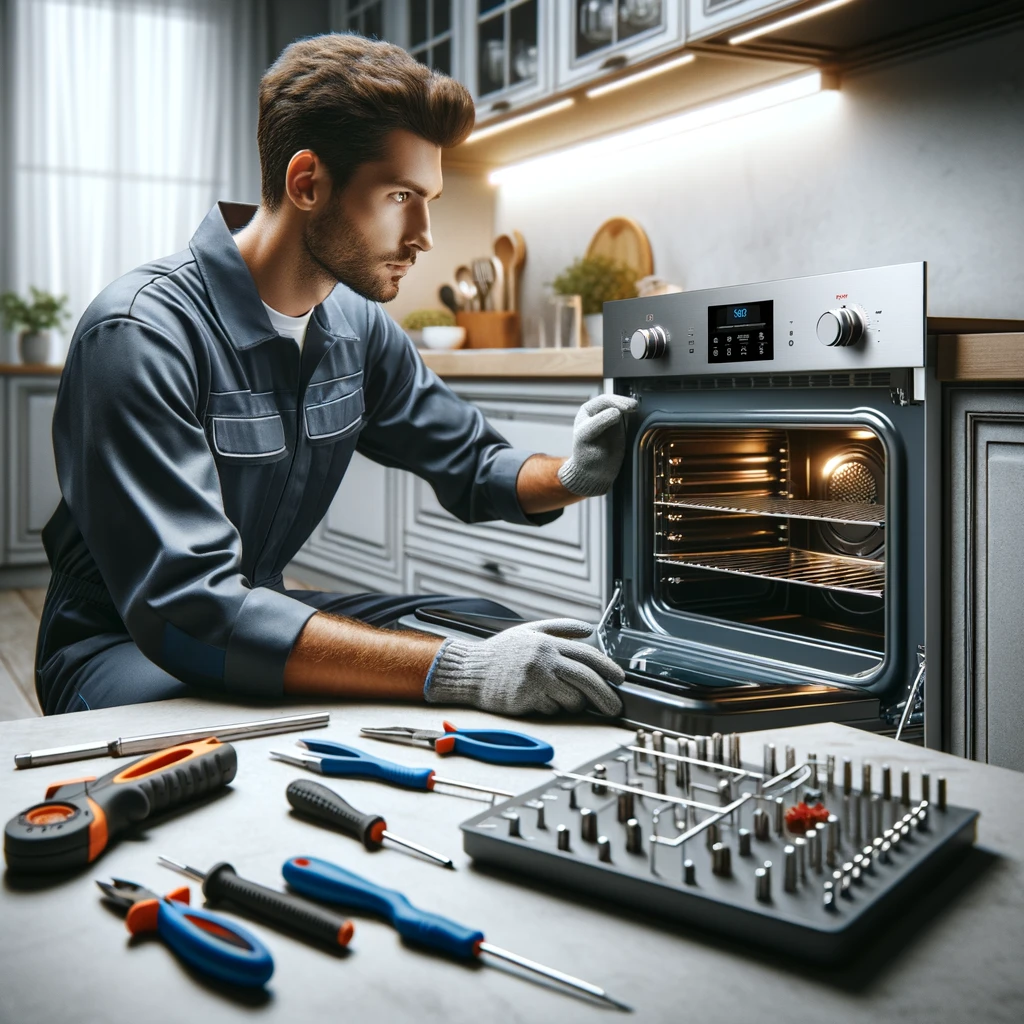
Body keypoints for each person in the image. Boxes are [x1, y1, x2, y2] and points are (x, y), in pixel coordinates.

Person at [35, 33, 635, 717]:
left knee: (489, 622)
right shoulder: (140, 334)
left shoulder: (356, 326)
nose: (425, 234)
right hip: (125, 642)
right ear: (307, 182)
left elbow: (472, 461)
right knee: (249, 729)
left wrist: (573, 474)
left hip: (257, 605)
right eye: (401, 195)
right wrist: (456, 670)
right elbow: (190, 609)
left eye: (429, 198)